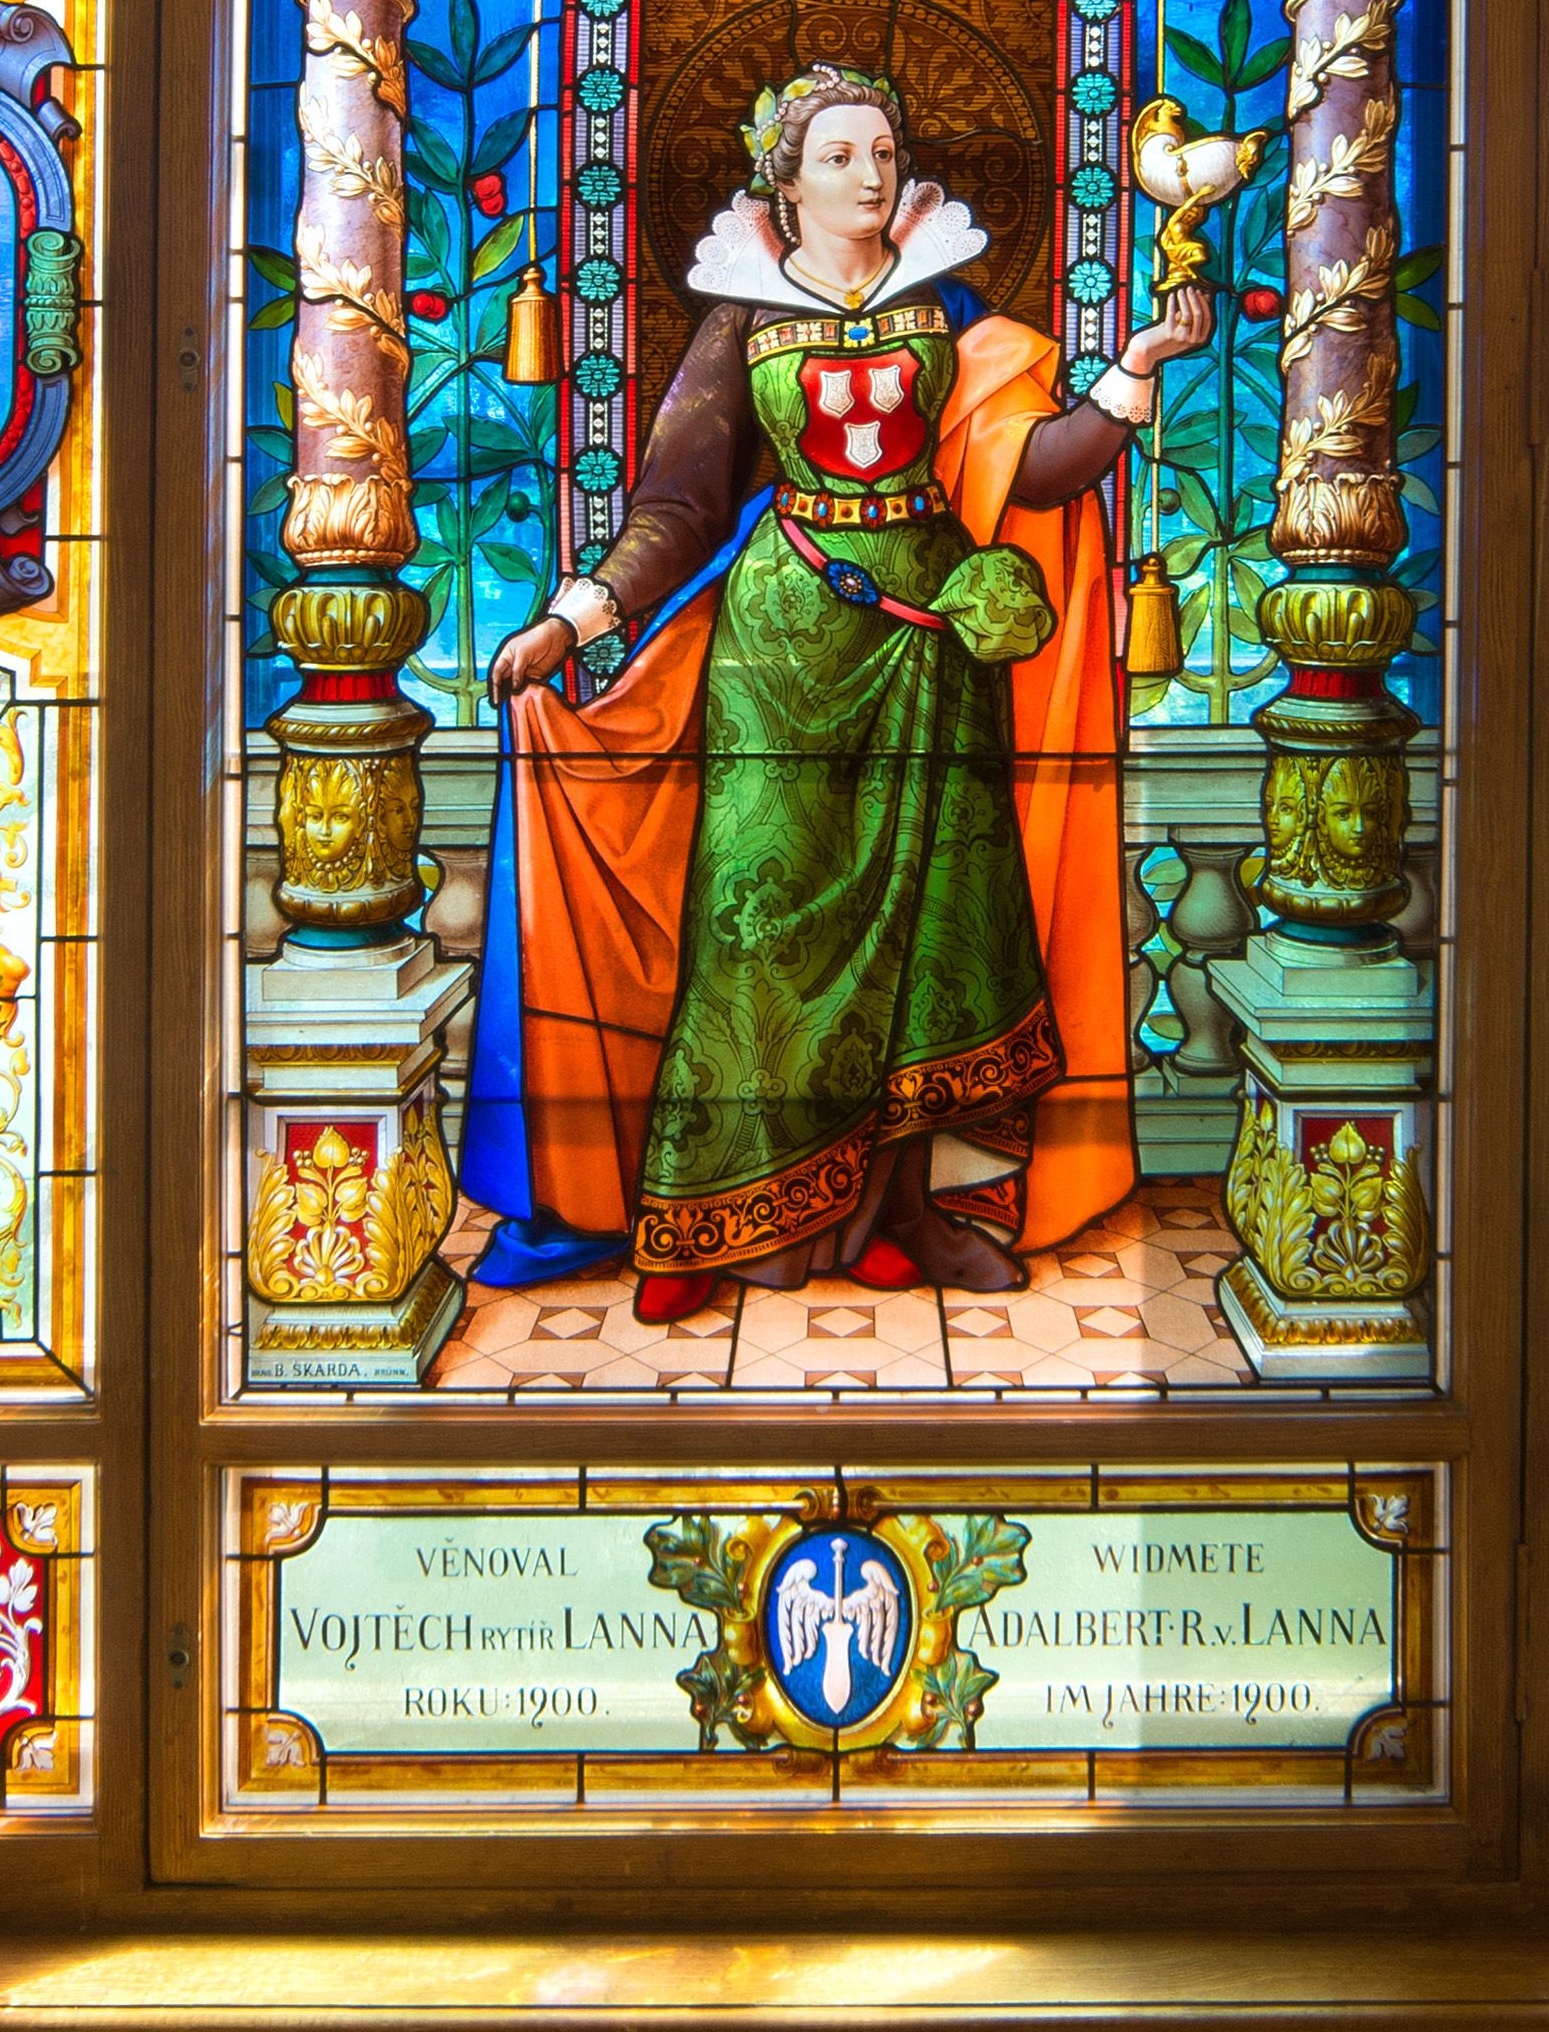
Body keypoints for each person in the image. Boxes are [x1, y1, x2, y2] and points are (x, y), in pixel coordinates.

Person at [463, 68, 1205, 1318]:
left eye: (886, 149)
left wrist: (1134, 368)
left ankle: (908, 1207)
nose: (873, 173)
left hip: (927, 641)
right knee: (757, 929)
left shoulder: (954, 306)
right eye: (842, 154)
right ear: (785, 180)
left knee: (932, 932)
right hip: (779, 648)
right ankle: (717, 1218)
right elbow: (678, 505)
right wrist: (575, 614)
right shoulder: (739, 318)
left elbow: (1040, 476)